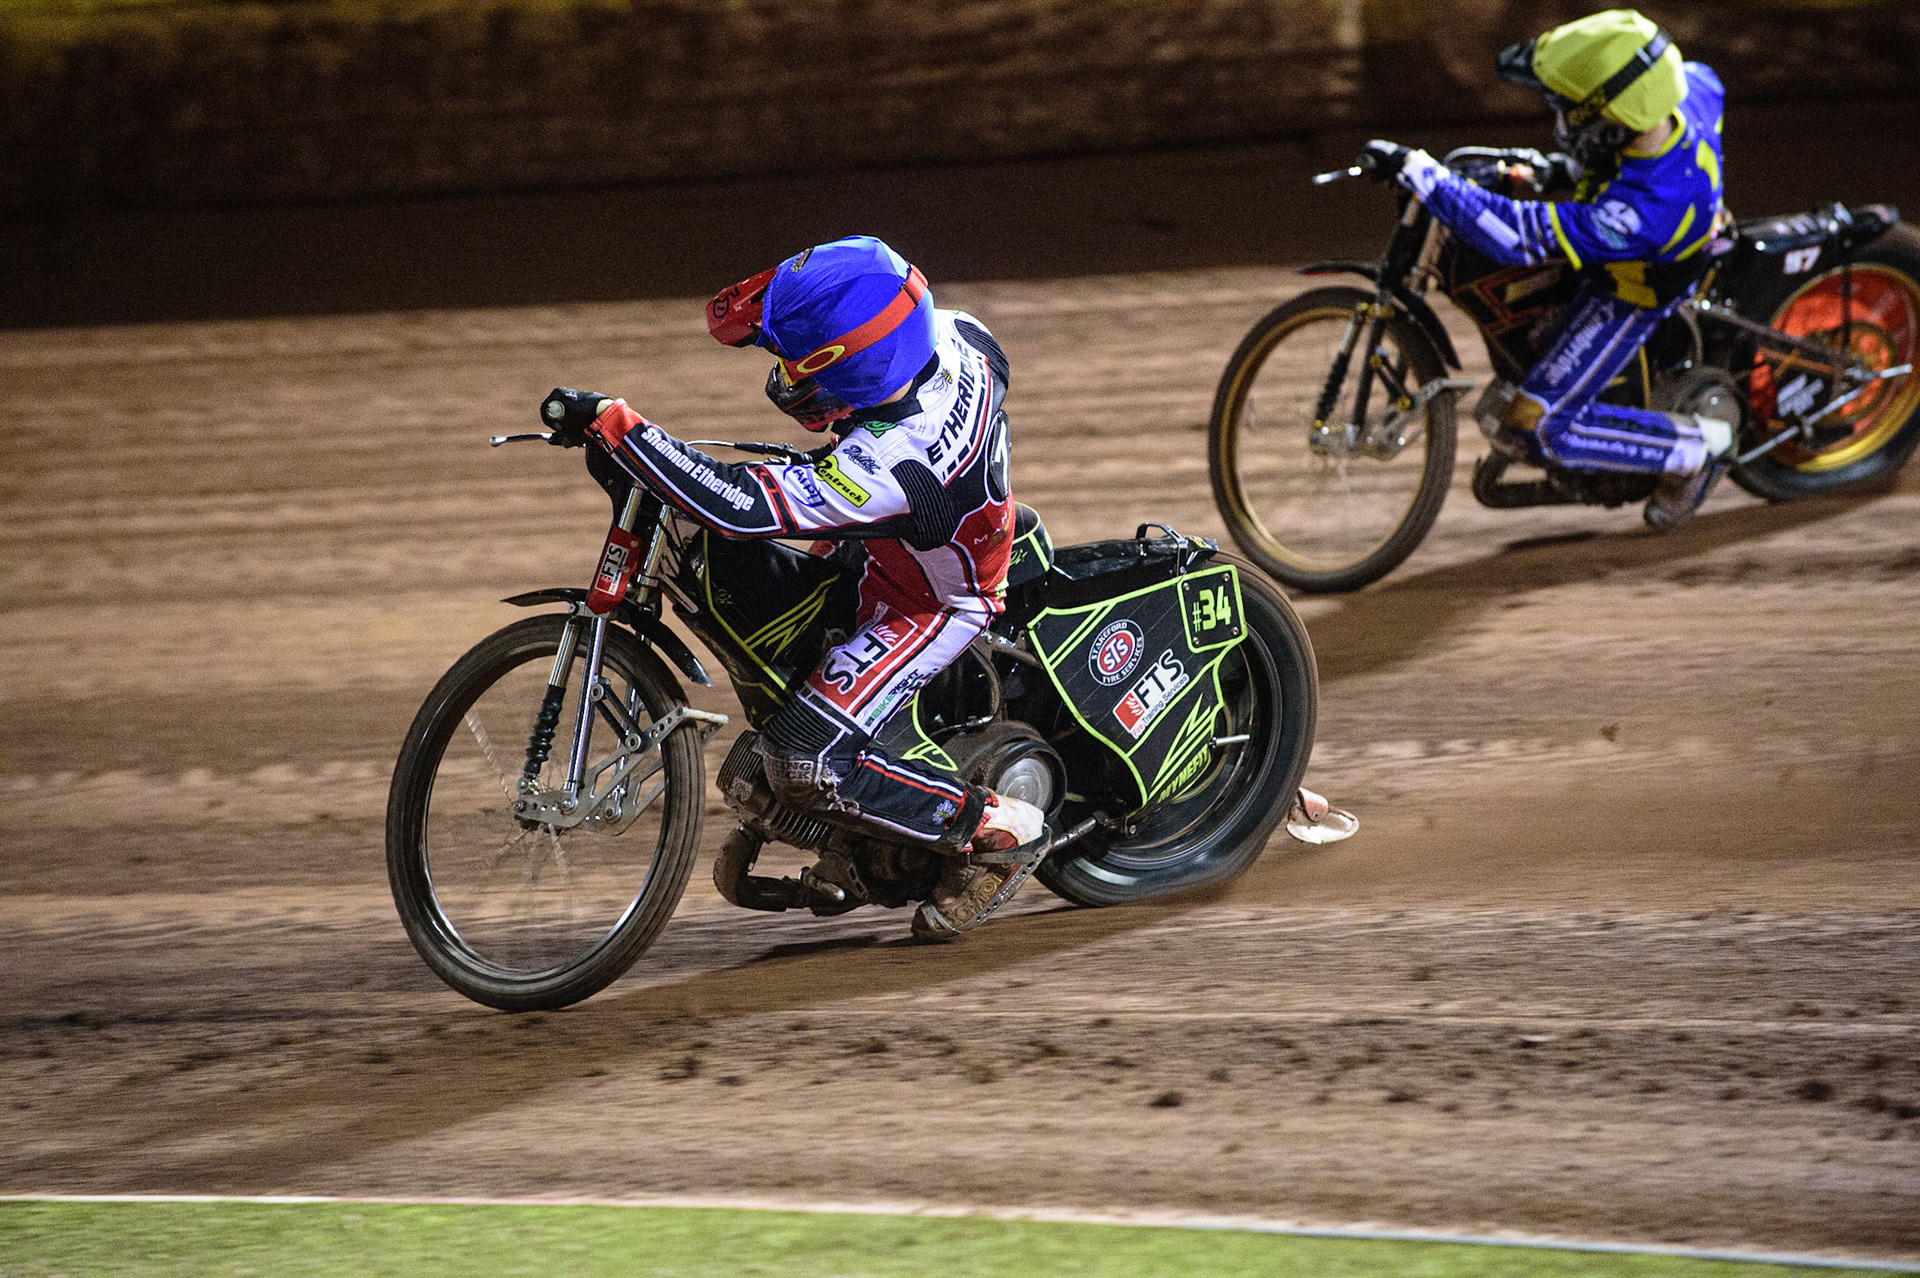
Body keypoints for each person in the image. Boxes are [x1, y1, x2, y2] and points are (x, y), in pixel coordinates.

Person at [541, 234, 1047, 939]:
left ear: (854, 366)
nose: (784, 372)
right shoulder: (956, 333)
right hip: (893, 536)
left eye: (795, 360)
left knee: (799, 759)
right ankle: (863, 816)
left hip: (933, 601)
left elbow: (741, 508)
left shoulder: (894, 462)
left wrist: (619, 425)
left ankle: (1001, 830)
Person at [1361, 8, 1733, 529]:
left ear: (1613, 120)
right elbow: (1673, 99)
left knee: (1533, 427)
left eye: (1567, 112)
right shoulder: (1685, 89)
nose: (1557, 123)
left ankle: (1691, 451)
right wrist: (1556, 166)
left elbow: (1519, 236)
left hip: (1632, 292)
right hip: (1681, 216)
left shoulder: (1642, 211)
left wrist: (1426, 174)